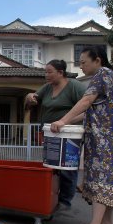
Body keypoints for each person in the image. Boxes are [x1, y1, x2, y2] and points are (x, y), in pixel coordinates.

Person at [50, 46, 113, 224]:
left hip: (107, 140)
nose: (81, 66)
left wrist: (63, 121)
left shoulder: (102, 74)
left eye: (83, 62)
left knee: (101, 178)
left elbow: (86, 101)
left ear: (97, 60)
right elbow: (89, 110)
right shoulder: (108, 76)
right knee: (107, 178)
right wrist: (66, 121)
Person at [25, 59, 86, 209]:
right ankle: (52, 196)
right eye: (45, 72)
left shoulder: (75, 86)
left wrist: (65, 121)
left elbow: (87, 110)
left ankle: (65, 201)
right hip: (50, 133)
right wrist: (29, 96)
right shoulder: (47, 88)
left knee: (67, 168)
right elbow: (33, 100)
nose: (46, 75)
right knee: (51, 166)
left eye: (49, 72)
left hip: (69, 134)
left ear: (60, 72)